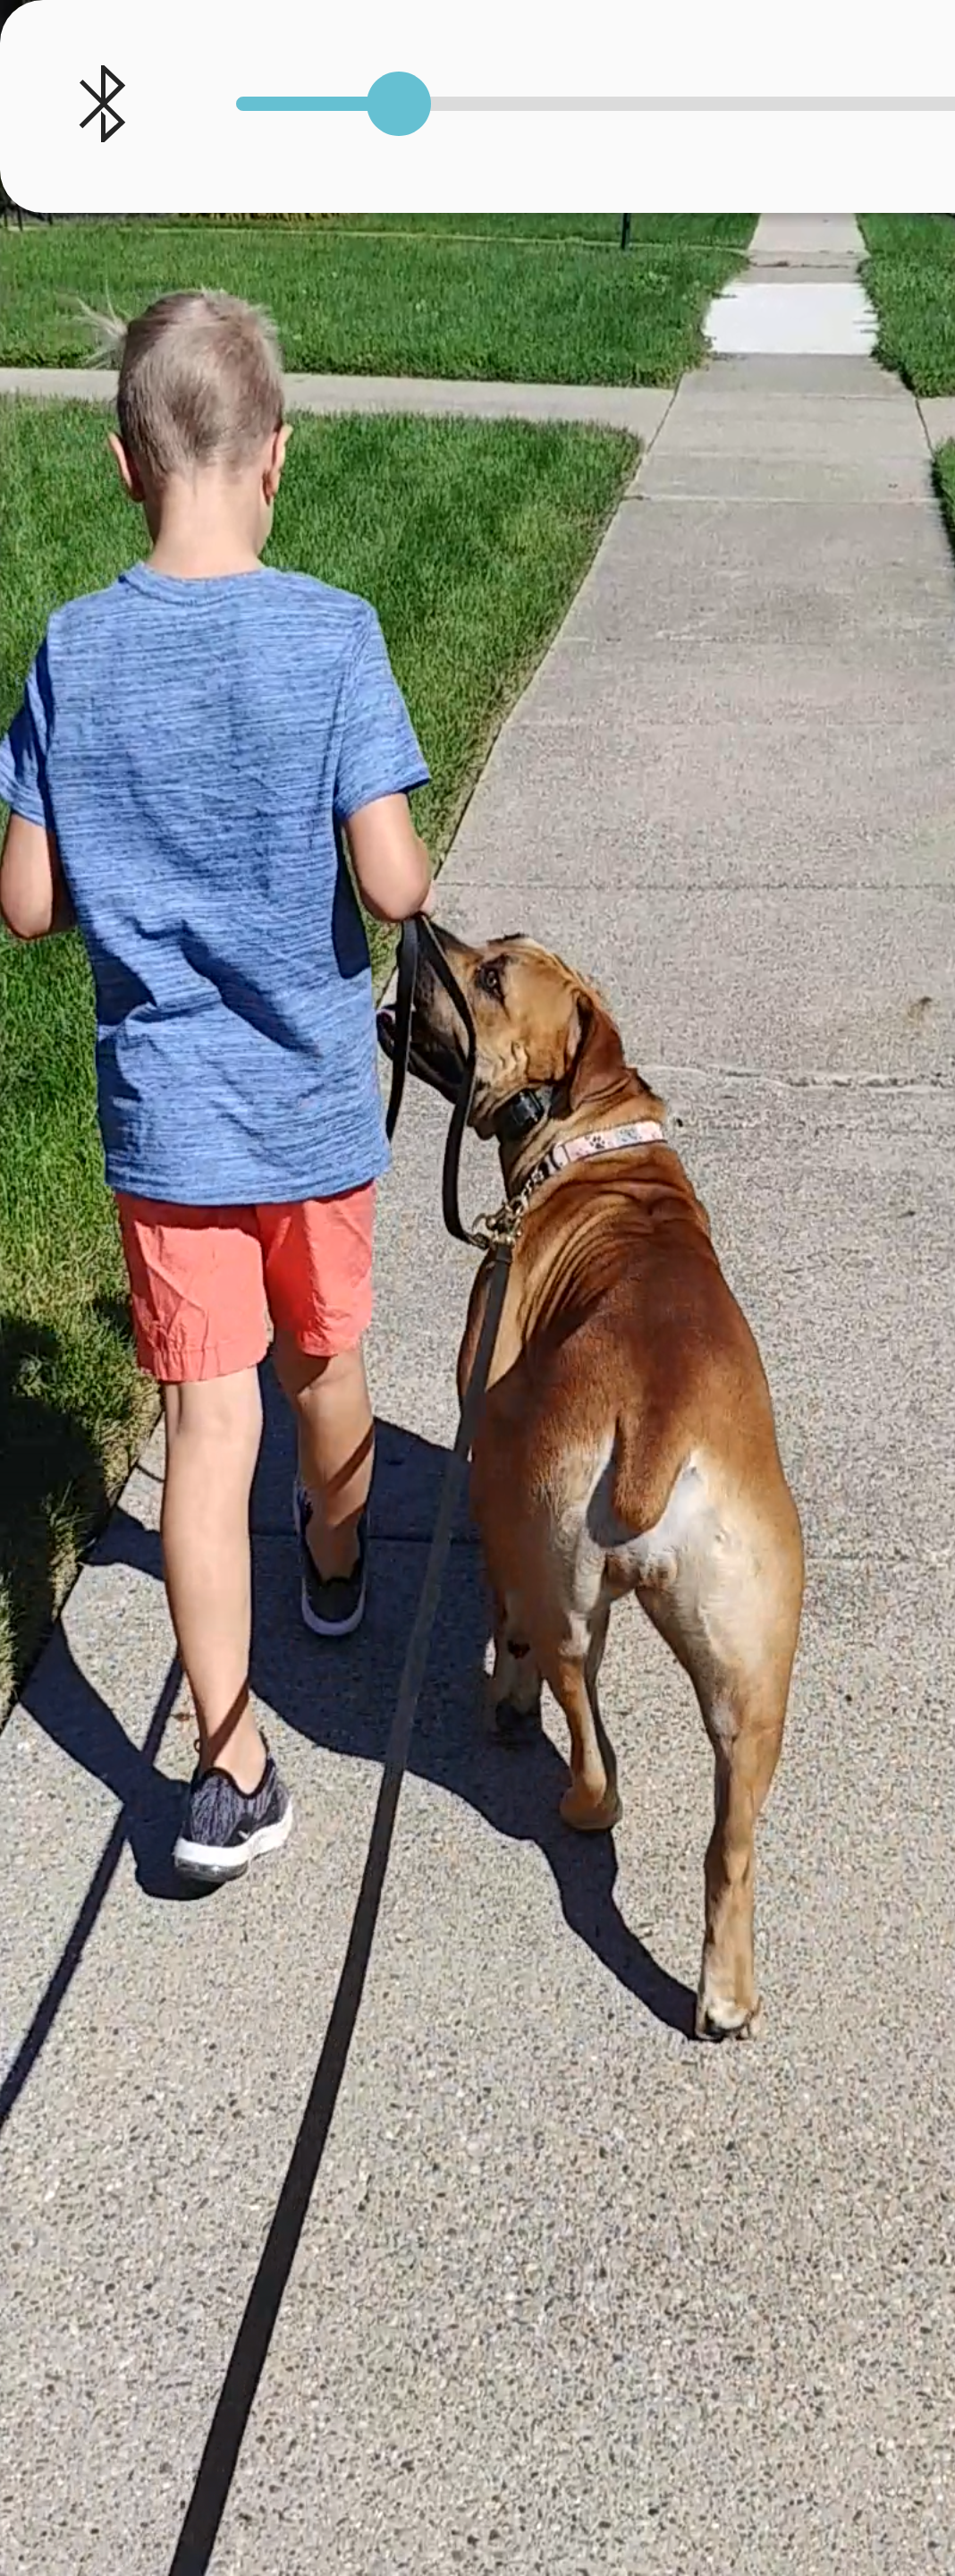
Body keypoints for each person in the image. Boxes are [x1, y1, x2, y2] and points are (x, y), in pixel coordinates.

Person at [0, 289, 433, 1885]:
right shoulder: (334, 634)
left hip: (165, 1124)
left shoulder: (74, 648)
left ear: (125, 464)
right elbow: (392, 883)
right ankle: (337, 1560)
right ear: (277, 459)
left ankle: (230, 1765)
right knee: (325, 1366)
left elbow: (27, 902)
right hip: (311, 1110)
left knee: (204, 1421)